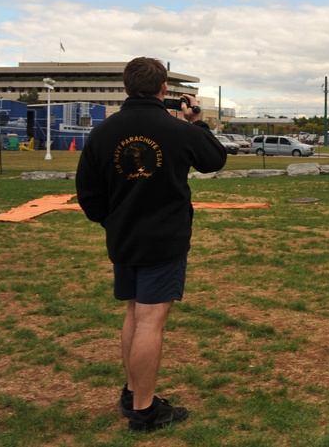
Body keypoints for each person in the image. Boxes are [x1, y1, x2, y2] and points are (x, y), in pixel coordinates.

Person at [75, 57, 227, 432]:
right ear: (164, 90)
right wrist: (195, 121)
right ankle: (144, 410)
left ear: (127, 87)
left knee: (133, 313)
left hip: (124, 238)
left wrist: (111, 221)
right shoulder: (175, 128)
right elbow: (215, 159)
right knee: (150, 321)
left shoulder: (104, 132)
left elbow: (88, 193)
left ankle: (132, 391)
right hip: (164, 240)